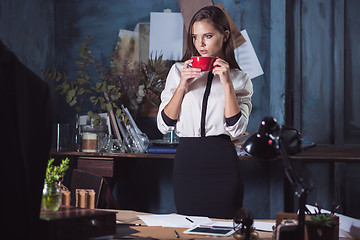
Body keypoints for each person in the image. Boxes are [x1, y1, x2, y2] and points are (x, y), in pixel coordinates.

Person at [157, 6, 253, 219]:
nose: (200, 44)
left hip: (222, 161)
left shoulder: (240, 78)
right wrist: (182, 85)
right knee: (189, 226)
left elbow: (236, 128)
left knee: (224, 227)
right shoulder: (177, 72)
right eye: (195, 37)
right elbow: (164, 124)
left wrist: (227, 83)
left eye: (207, 36)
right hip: (187, 161)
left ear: (225, 35)